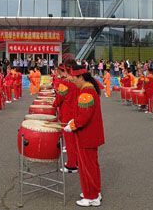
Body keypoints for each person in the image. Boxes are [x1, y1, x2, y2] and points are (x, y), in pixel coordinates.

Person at [64, 65, 105, 207]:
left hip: (86, 136)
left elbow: (84, 117)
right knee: (92, 166)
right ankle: (94, 191)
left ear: (80, 77)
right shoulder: (89, 90)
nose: (73, 81)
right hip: (91, 135)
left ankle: (91, 196)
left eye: (74, 78)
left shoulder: (86, 92)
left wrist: (73, 125)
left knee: (87, 167)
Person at [53, 61, 79, 173]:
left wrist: (54, 104)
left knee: (69, 141)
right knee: (75, 140)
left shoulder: (65, 83)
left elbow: (59, 99)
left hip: (67, 114)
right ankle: (77, 161)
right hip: (76, 113)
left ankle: (72, 165)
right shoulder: (78, 82)